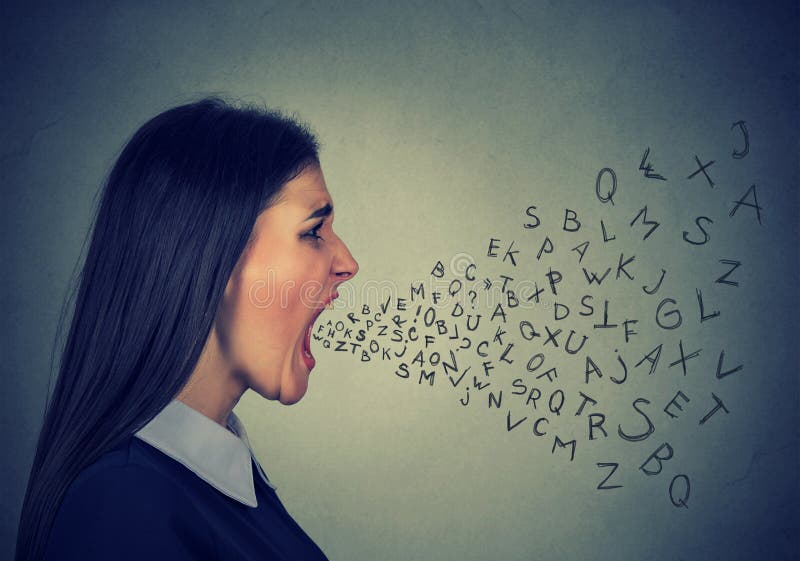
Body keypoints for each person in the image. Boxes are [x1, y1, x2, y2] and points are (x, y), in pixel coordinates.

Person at [14, 97, 359, 561]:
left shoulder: (215, 484)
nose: (347, 264)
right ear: (213, 254)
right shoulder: (124, 508)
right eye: (314, 231)